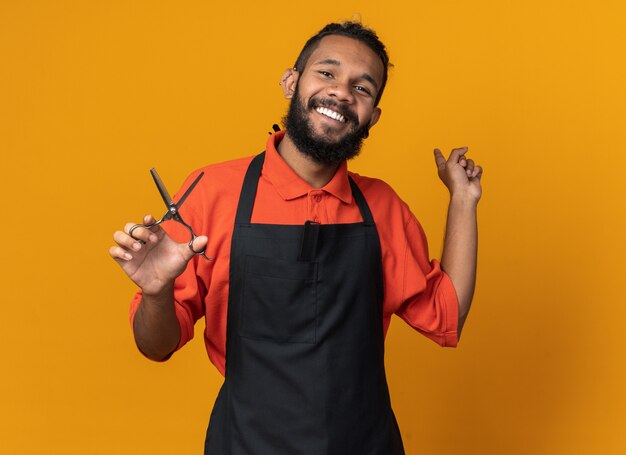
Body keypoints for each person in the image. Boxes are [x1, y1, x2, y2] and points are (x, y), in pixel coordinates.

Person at [110, 21, 482, 455]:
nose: (342, 92)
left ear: (372, 117)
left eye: (362, 88)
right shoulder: (213, 192)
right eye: (327, 73)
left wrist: (463, 200)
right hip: (246, 444)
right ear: (292, 82)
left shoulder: (382, 207)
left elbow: (445, 316)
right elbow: (155, 346)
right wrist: (156, 293)